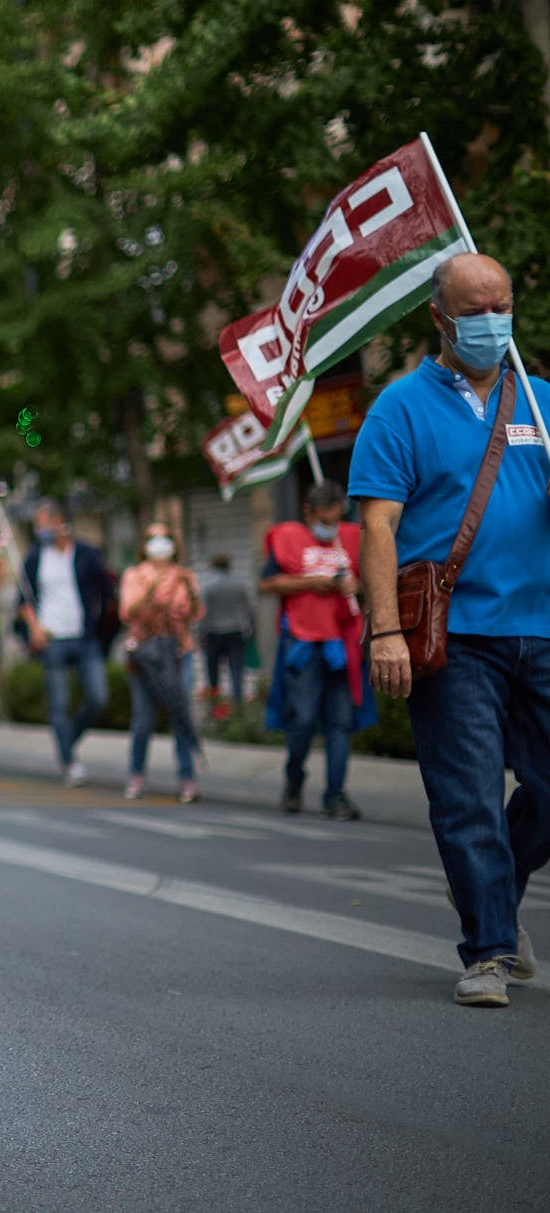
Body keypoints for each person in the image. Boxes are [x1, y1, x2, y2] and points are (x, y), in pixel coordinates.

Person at [351, 250, 550, 1008]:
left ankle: (488, 873)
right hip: (454, 635)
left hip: (543, 623)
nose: (493, 323)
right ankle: (492, 947)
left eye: (503, 307)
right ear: (440, 317)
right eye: (476, 311)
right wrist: (386, 630)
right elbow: (380, 525)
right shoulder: (399, 408)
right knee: (467, 795)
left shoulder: (540, 400)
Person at [260, 482, 370, 820]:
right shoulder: (287, 538)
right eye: (324, 519)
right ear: (308, 512)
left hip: (342, 643)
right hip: (303, 643)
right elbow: (266, 584)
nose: (330, 527)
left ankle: (335, 795)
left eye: (336, 519)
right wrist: (311, 581)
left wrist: (358, 585)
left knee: (340, 722)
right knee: (303, 720)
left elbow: (373, 580)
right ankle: (294, 782)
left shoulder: (352, 539)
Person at [16, 499, 111, 786]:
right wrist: (34, 628)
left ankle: (67, 739)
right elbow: (24, 601)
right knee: (59, 705)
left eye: (44, 524)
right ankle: (69, 762)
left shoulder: (86, 554)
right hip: (52, 639)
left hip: (84, 637)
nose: (40, 530)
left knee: (98, 697)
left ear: (60, 523)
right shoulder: (35, 558)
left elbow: (107, 592)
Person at [118, 522, 205, 802]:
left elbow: (195, 614)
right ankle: (136, 774)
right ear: (144, 545)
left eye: (165, 538)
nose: (160, 544)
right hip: (145, 654)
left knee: (180, 712)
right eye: (153, 538)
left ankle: (187, 779)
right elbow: (127, 612)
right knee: (144, 718)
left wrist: (189, 593)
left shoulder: (184, 575)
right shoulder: (135, 575)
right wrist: (151, 588)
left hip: (178, 651)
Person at [198, 553, 253, 712]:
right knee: (236, 670)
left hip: (213, 632)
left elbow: (203, 612)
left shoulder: (208, 586)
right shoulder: (240, 585)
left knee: (213, 672)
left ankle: (215, 707)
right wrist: (250, 629)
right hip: (236, 631)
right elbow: (249, 609)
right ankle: (238, 707)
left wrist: (200, 633)